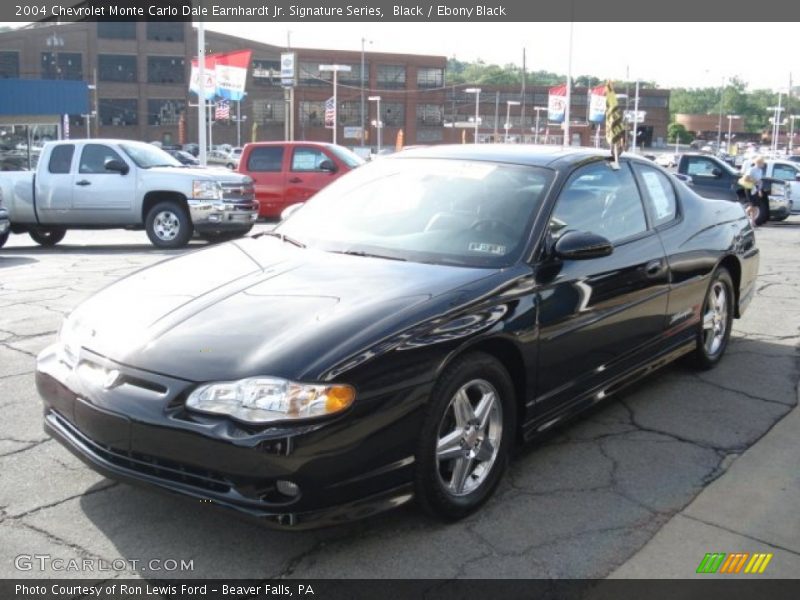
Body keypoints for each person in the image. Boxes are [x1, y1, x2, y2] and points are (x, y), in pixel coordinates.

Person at [741, 156, 766, 225]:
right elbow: (746, 178)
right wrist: (754, 181)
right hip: (749, 188)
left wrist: (759, 190)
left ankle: (752, 221)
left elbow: (760, 181)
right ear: (758, 163)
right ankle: (742, 216)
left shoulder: (760, 171)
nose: (763, 164)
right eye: (762, 163)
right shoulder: (751, 169)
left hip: (755, 189)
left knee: (755, 206)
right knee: (752, 205)